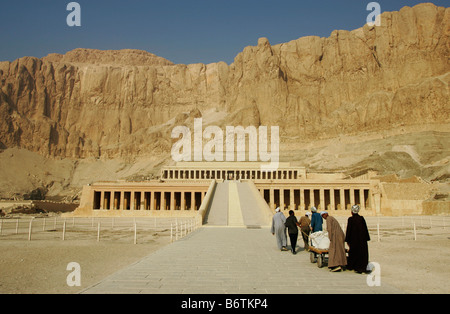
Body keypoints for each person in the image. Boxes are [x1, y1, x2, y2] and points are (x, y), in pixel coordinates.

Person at [345, 205, 371, 273]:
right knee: (362, 254)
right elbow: (365, 229)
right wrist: (366, 238)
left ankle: (354, 267)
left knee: (354, 253)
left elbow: (349, 230)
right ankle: (362, 267)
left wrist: (347, 239)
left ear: (352, 212)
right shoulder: (361, 218)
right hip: (362, 240)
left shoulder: (350, 219)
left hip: (354, 240)